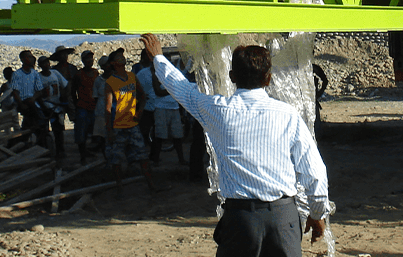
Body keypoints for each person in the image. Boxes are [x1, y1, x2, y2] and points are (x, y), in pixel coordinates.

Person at [142, 34, 329, 257]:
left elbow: (181, 89)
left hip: (241, 220)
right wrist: (317, 214)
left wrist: (159, 58)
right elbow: (315, 172)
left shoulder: (218, 111)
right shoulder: (288, 115)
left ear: (232, 76)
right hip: (283, 219)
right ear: (268, 78)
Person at [102, 48, 155, 190]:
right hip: (118, 126)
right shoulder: (110, 82)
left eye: (122, 56)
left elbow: (142, 96)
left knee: (143, 156)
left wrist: (139, 112)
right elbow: (107, 109)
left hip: (132, 124)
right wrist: (109, 131)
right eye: (119, 57)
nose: (122, 58)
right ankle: (119, 187)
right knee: (117, 159)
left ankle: (151, 185)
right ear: (113, 63)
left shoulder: (132, 76)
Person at [149, 55, 187, 165]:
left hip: (173, 107)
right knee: (160, 135)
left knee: (177, 135)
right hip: (162, 107)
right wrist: (172, 90)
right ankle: (156, 159)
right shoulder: (156, 75)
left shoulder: (168, 75)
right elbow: (158, 92)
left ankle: (180, 159)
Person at [9, 51, 48, 150]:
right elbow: (15, 92)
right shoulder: (17, 74)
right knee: (38, 123)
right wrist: (21, 104)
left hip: (32, 102)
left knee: (29, 126)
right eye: (29, 57)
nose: (31, 59)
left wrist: (33, 98)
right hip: (23, 103)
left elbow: (39, 90)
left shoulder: (34, 74)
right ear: (22, 59)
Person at [36, 55, 69, 164]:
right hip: (45, 106)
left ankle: (61, 150)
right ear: (40, 65)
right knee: (44, 131)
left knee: (58, 130)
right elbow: (38, 95)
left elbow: (64, 85)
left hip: (57, 106)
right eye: (43, 63)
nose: (46, 65)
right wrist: (44, 107)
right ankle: (46, 151)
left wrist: (63, 98)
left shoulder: (55, 73)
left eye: (47, 62)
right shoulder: (38, 77)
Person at [70, 50, 100, 164]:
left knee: (94, 130)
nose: (89, 61)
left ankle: (91, 150)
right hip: (82, 106)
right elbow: (73, 91)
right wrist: (76, 103)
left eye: (91, 59)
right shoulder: (79, 74)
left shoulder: (95, 73)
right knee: (81, 132)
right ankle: (82, 155)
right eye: (87, 59)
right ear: (83, 61)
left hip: (94, 106)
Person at [134, 48, 157, 148]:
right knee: (144, 126)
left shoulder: (154, 69)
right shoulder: (137, 68)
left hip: (153, 101)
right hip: (143, 102)